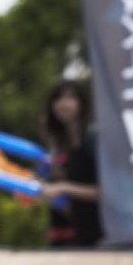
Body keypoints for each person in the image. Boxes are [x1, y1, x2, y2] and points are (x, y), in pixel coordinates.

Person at [39, 79, 103, 248]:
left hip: (99, 237)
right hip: (71, 235)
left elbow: (106, 191)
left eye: (70, 98)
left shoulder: (93, 137)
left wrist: (63, 187)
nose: (63, 104)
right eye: (58, 99)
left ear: (82, 103)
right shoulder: (62, 145)